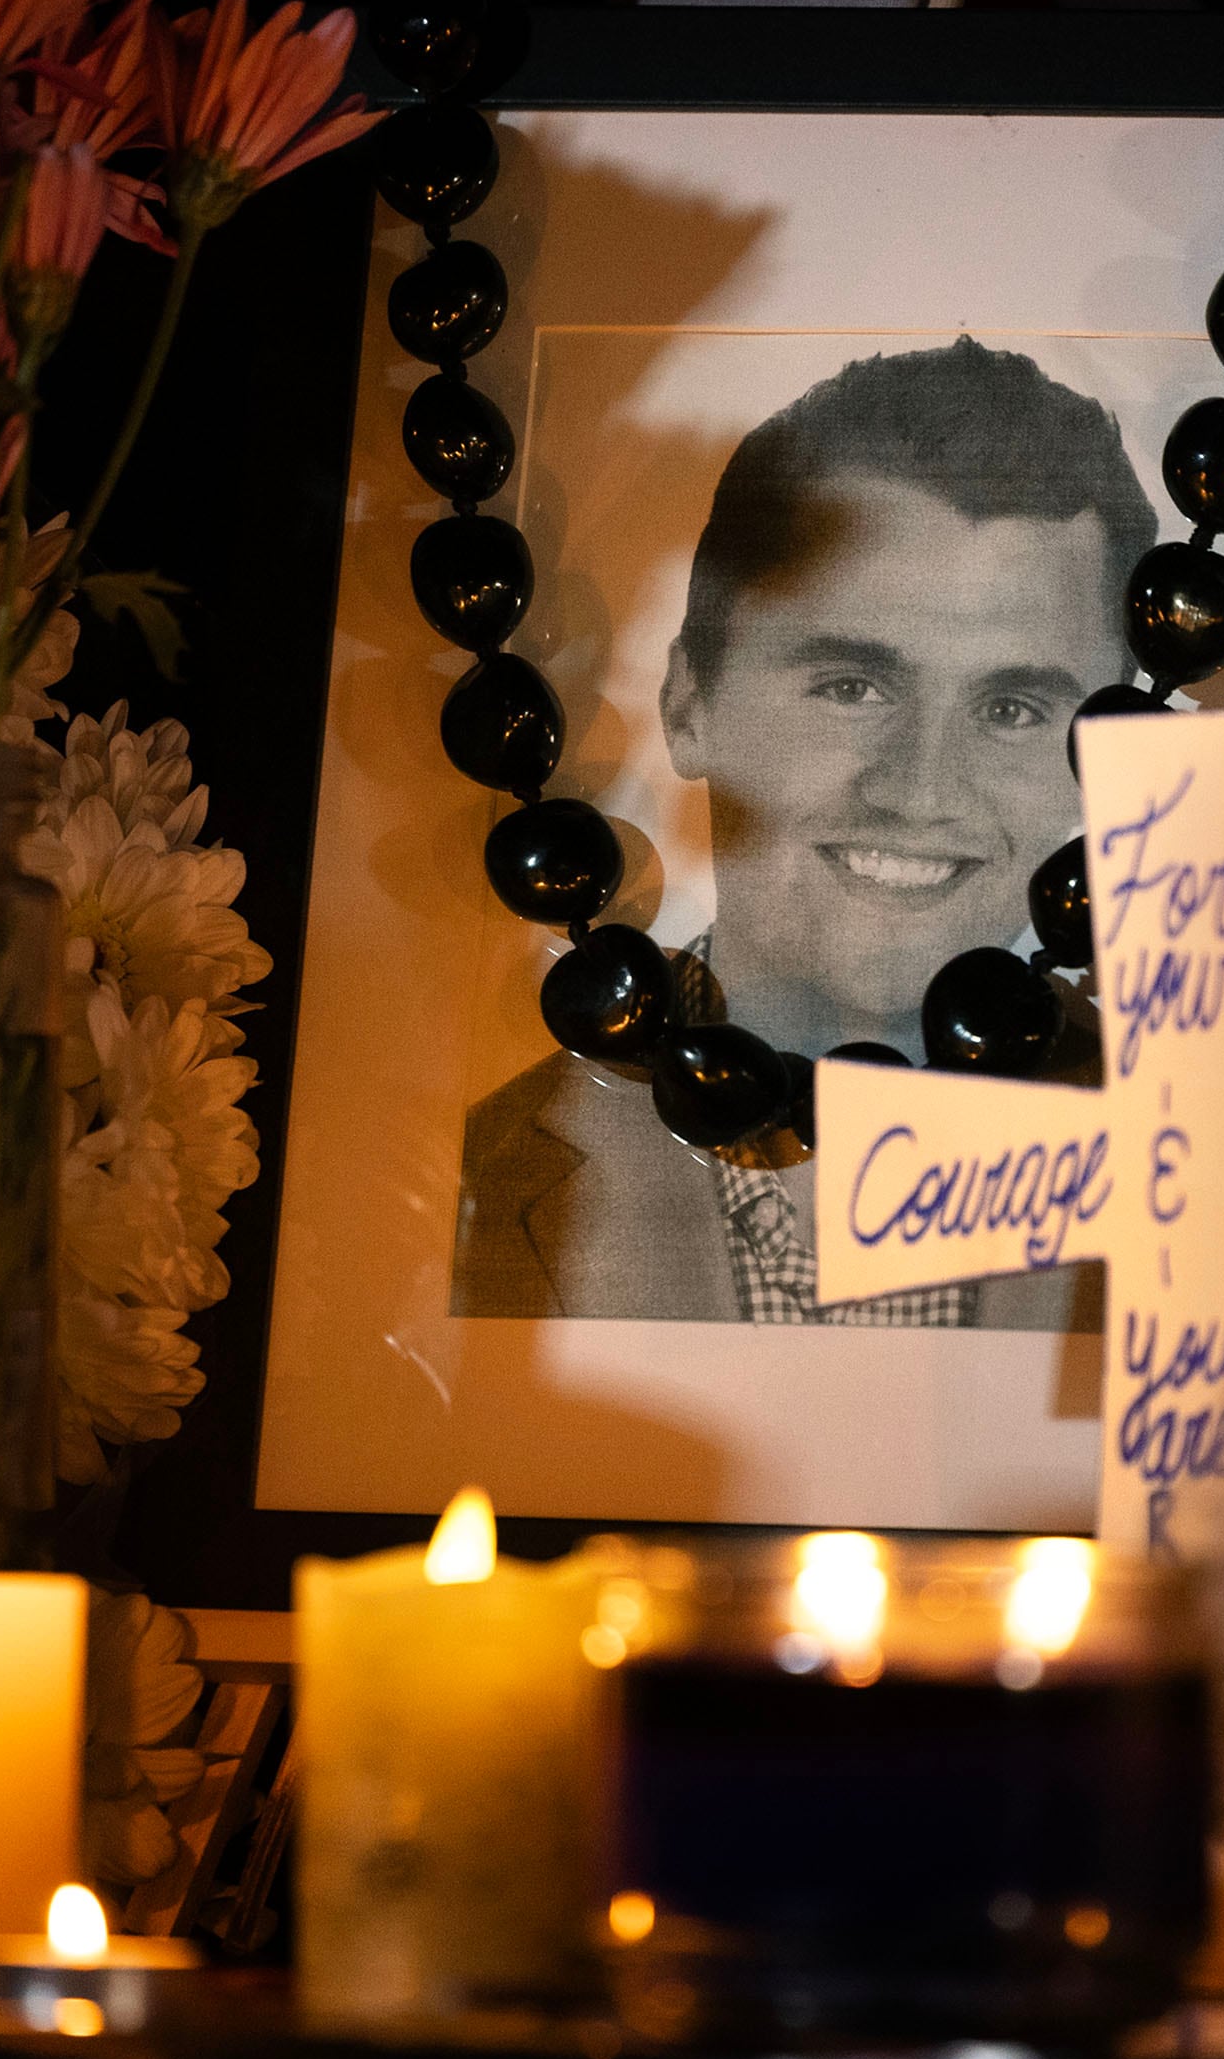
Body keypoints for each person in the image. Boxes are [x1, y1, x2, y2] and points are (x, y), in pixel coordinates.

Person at [454, 338, 1150, 1325]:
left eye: (1012, 711)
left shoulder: (1209, 1185)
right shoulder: (462, 1183)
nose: (919, 792)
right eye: (851, 687)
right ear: (691, 701)